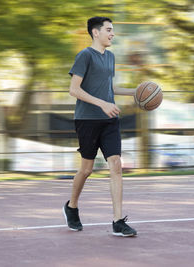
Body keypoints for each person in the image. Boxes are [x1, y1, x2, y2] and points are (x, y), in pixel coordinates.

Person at [63, 16, 137, 237]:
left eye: (112, 30)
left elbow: (109, 87)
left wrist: (137, 91)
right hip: (87, 119)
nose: (112, 33)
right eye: (108, 30)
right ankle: (72, 207)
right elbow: (74, 90)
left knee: (115, 164)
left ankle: (117, 221)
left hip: (109, 119)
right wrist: (102, 103)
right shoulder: (85, 56)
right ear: (96, 32)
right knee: (86, 169)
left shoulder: (111, 57)